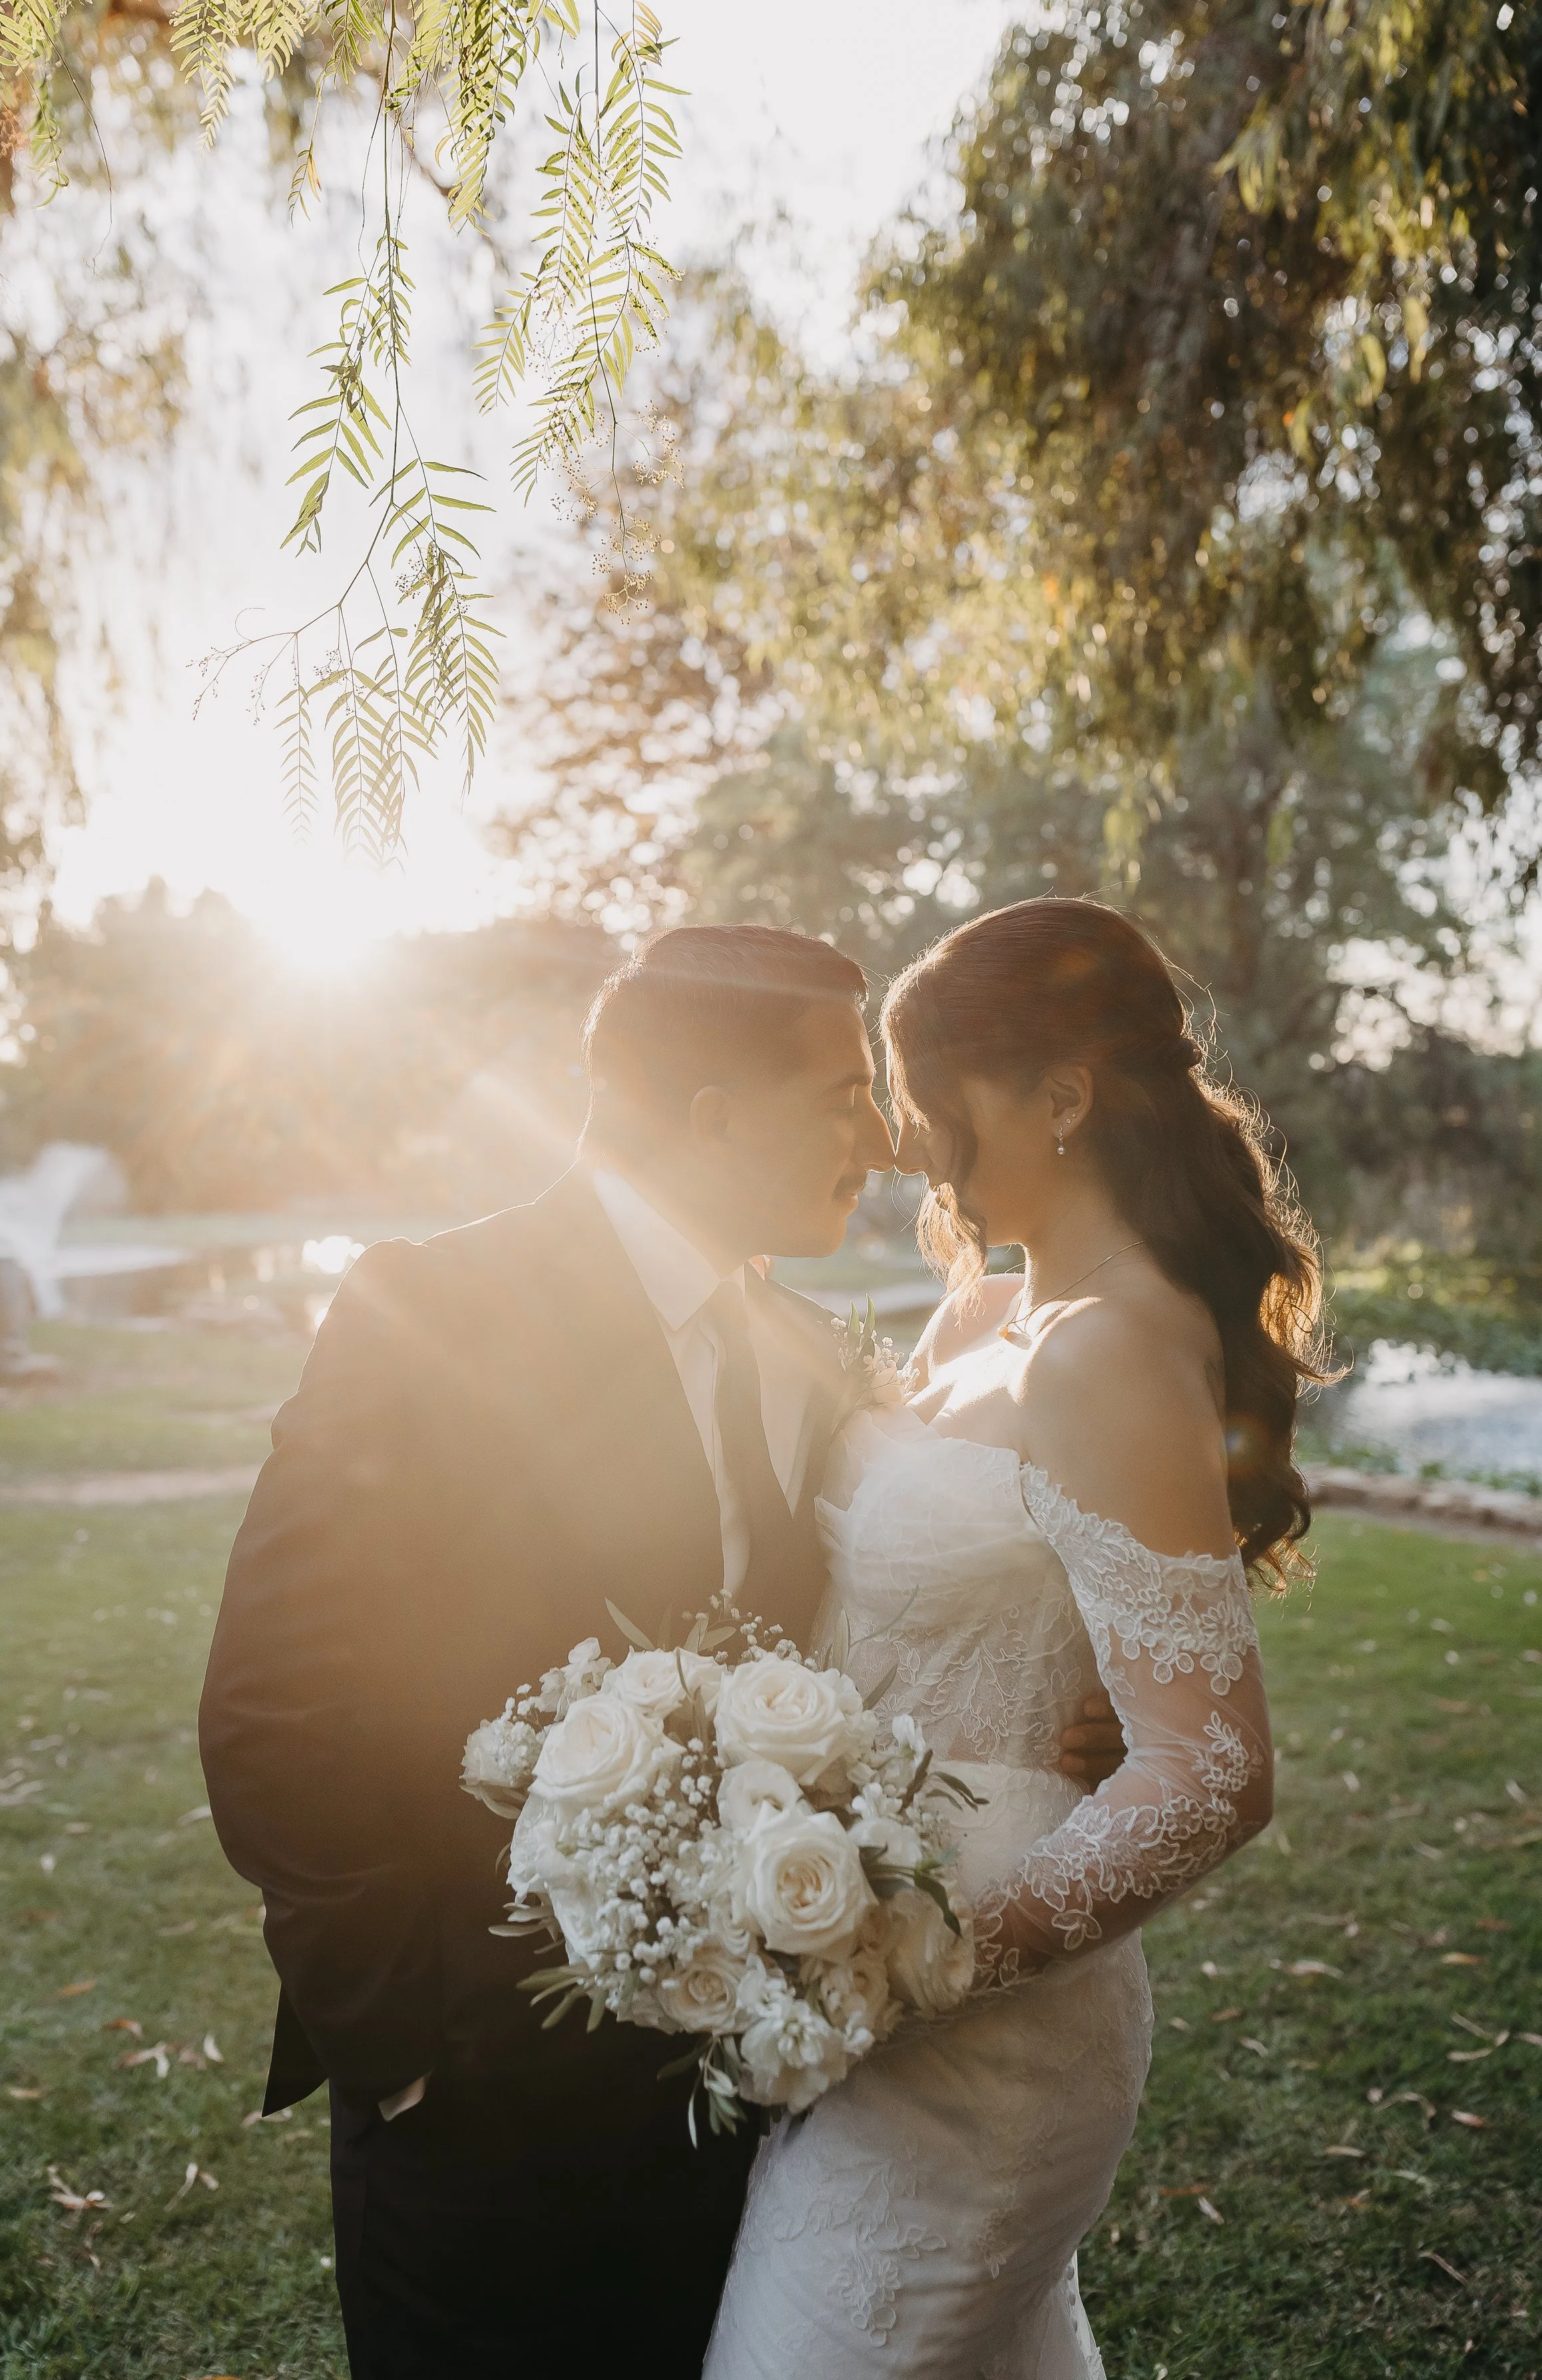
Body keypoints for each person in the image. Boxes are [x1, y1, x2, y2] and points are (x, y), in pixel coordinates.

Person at [198, 922, 1131, 2379]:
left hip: (742, 2090)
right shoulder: (431, 1307)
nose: (883, 1140)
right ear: (711, 1113)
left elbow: (877, 1623)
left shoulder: (810, 1346)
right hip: (476, 2114)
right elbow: (272, 1705)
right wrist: (411, 2054)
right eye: (839, 1092)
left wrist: (1073, 1699)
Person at [706, 898, 1324, 2379]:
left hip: (986, 2041)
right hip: (865, 1977)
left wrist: (927, 1960)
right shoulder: (983, 1309)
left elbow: (1209, 1774)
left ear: (1062, 1094)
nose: (905, 1143)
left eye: (926, 1099)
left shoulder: (1115, 1346)